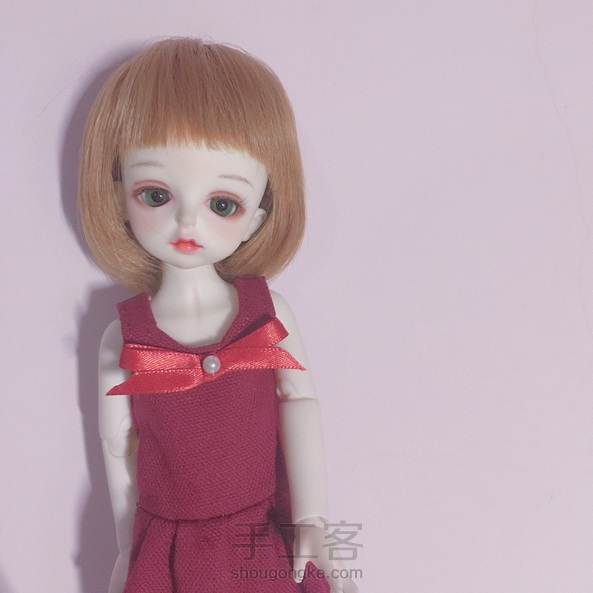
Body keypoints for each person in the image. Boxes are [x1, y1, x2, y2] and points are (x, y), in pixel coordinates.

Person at [78, 37, 358, 593]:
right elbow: (118, 447)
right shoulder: (124, 338)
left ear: (256, 218)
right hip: (169, 547)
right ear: (118, 198)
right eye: (155, 195)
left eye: (222, 204)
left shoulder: (266, 316)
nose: (188, 223)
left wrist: (312, 519)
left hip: (259, 536)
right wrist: (126, 548)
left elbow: (300, 403)